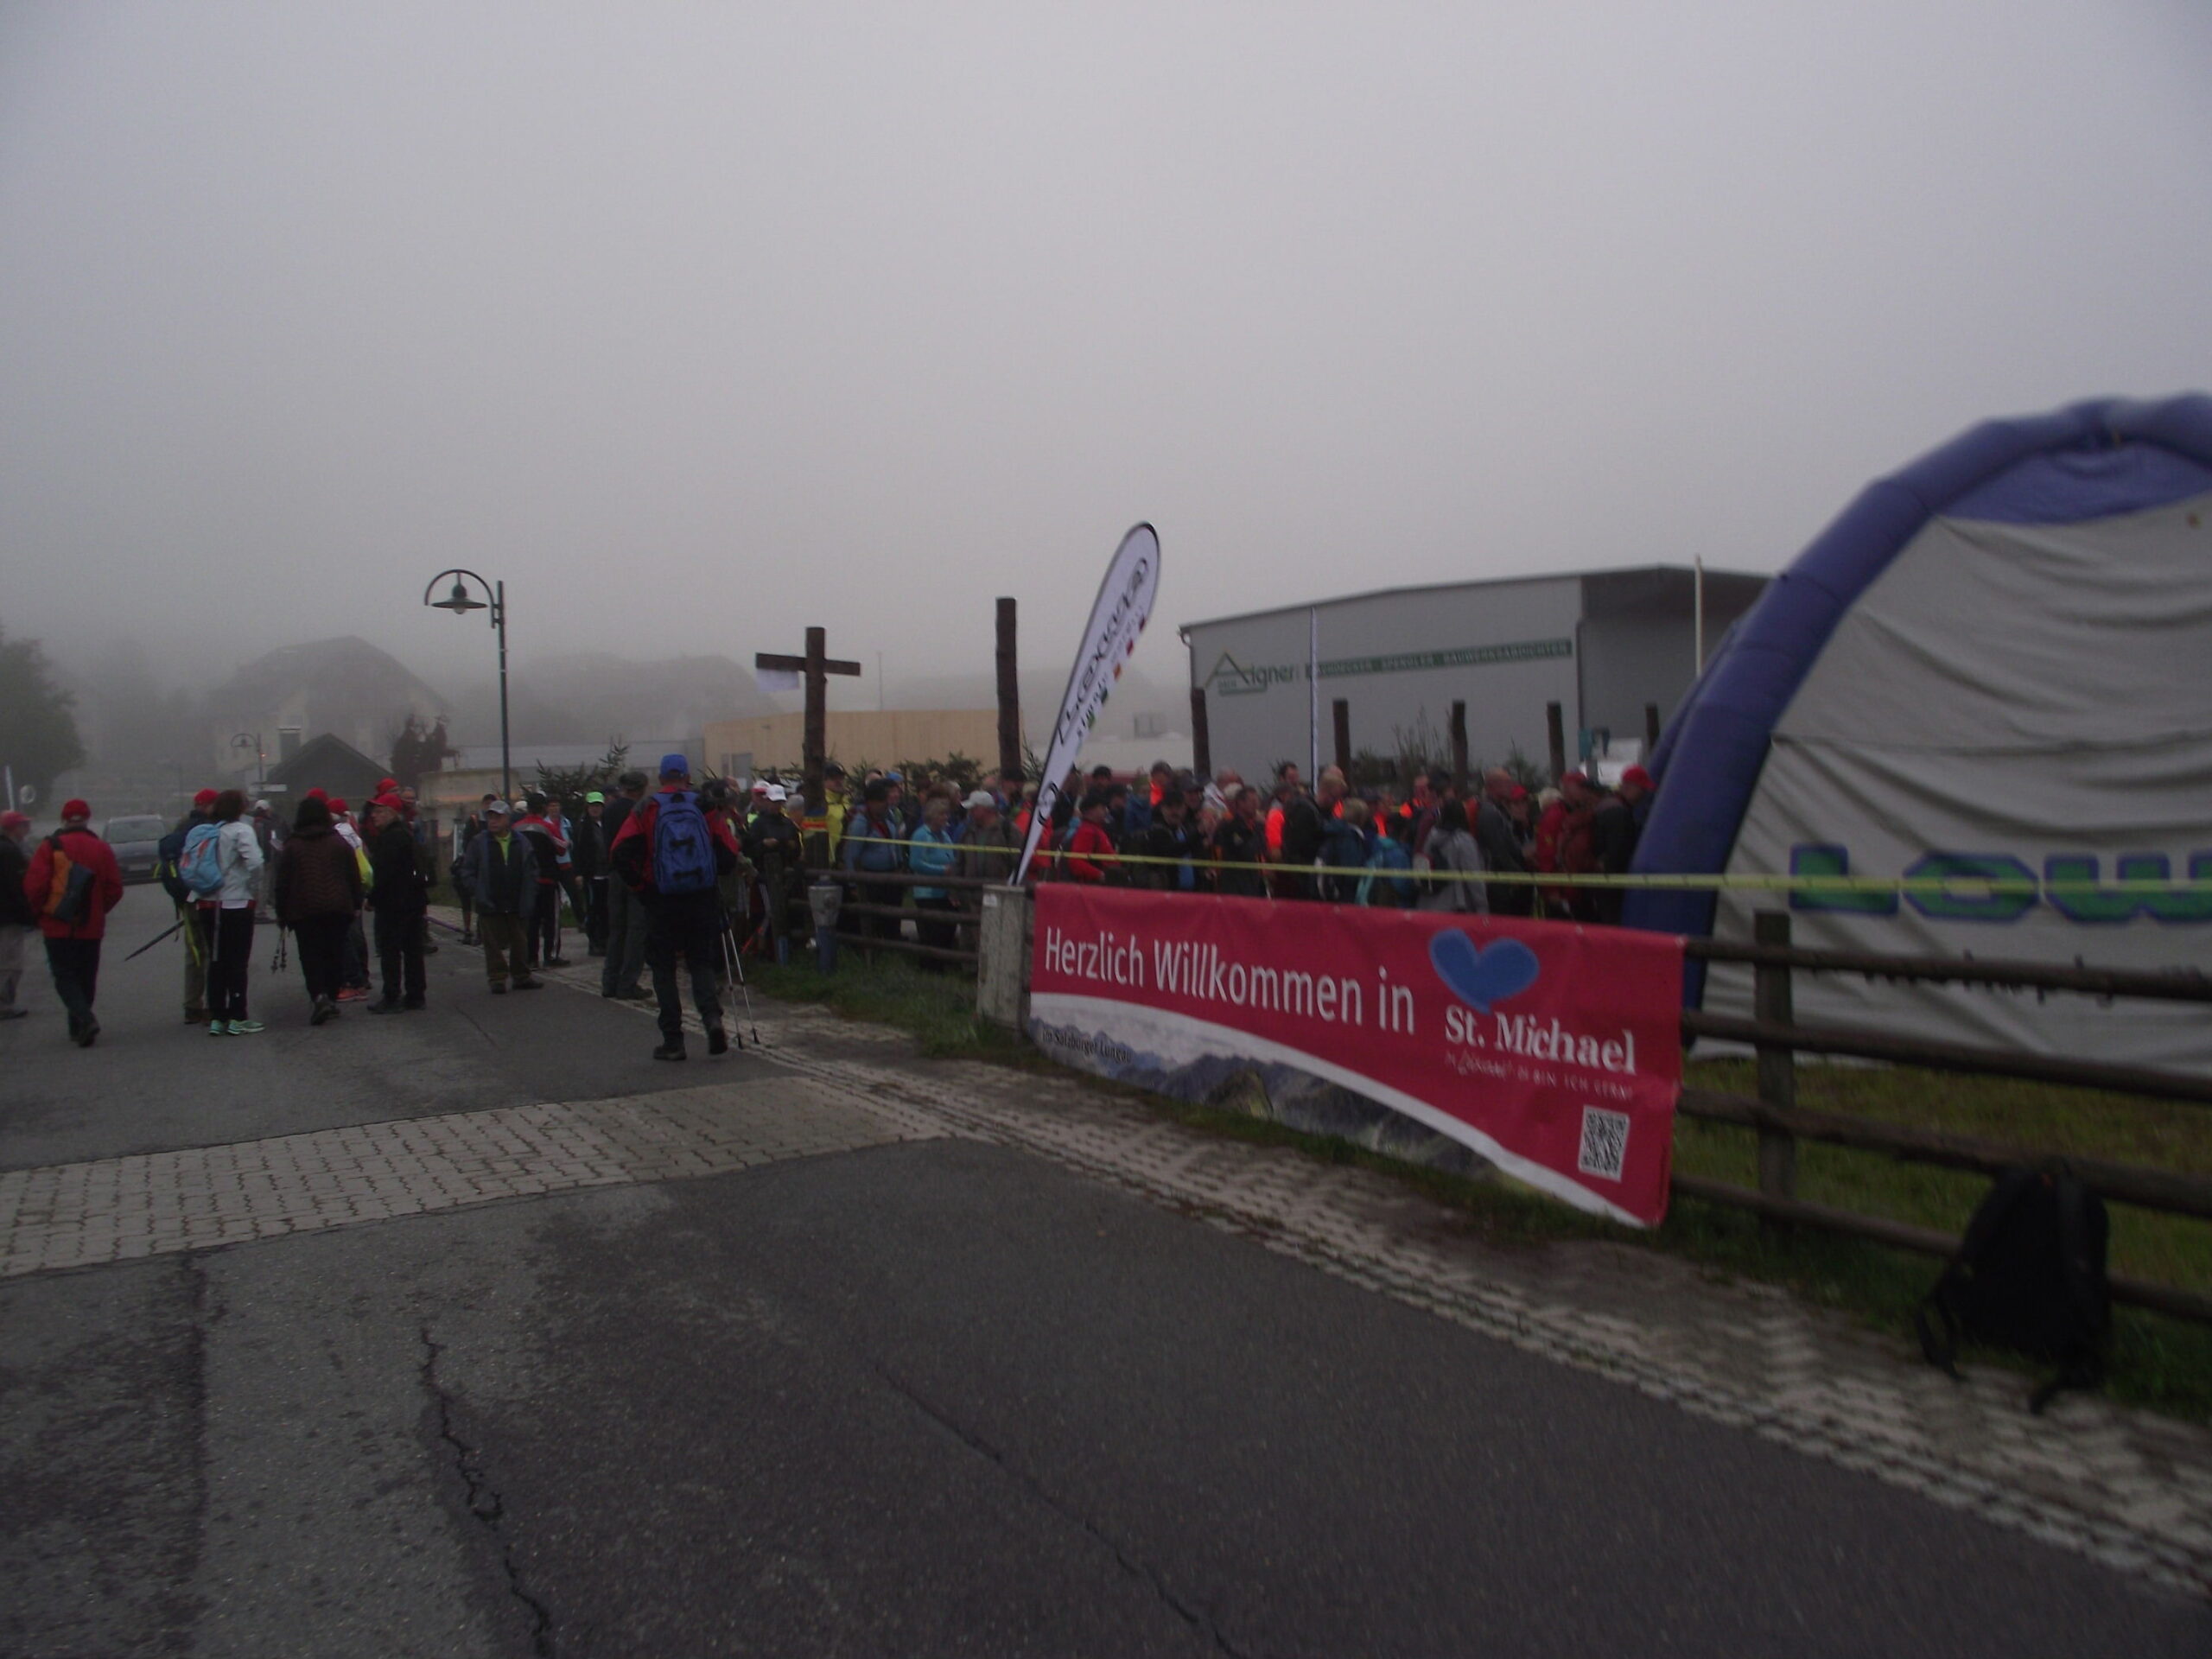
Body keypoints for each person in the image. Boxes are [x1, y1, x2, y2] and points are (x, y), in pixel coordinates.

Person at [611, 754, 741, 1062]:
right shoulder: (704, 806)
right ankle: (712, 1018)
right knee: (700, 962)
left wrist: (641, 888)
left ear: (660, 778)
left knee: (663, 968)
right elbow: (728, 855)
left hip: (661, 898)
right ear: (686, 776)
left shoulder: (647, 808)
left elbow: (619, 853)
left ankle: (673, 1041)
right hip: (701, 897)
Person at [22, 799, 126, 1046]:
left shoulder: (49, 847)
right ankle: (79, 1025)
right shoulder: (101, 848)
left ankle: (83, 1020)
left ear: (64, 819)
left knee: (64, 976)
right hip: (90, 926)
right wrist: (99, 909)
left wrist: (37, 915)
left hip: (56, 925)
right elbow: (115, 888)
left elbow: (35, 887)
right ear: (87, 819)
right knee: (86, 977)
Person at [273, 795, 365, 1025]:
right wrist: (356, 903)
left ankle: (319, 995)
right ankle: (332, 996)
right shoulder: (338, 843)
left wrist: (281, 912)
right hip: (338, 908)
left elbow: (282, 882)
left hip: (304, 910)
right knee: (334, 953)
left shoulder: (293, 846)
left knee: (310, 955)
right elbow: (353, 876)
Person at [191, 790, 265, 1035]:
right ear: (240, 808)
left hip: (207, 902)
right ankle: (238, 1016)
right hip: (236, 903)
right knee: (237, 961)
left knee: (216, 960)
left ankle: (216, 1016)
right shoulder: (241, 830)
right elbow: (255, 863)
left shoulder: (207, 832)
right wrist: (253, 888)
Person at [456, 801, 543, 993]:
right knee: (492, 944)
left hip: (517, 900)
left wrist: (530, 893)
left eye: (498, 817)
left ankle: (521, 976)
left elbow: (532, 870)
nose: (493, 821)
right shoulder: (479, 842)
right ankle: (497, 978)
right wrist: (478, 891)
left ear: (507, 819)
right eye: (490, 817)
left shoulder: (521, 842)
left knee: (520, 941)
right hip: (490, 900)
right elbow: (468, 870)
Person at [157, 786, 219, 1022]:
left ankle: (192, 1004)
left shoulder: (181, 827)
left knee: (194, 951)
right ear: (206, 806)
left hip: (186, 899)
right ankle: (211, 1004)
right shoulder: (209, 829)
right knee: (211, 950)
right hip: (207, 896)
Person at [365, 791, 429, 1012]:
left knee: (391, 950)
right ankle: (416, 994)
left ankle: (391, 995)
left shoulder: (389, 838)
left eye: (379, 811)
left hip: (394, 903)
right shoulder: (406, 833)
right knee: (413, 949)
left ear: (392, 813)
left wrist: (372, 898)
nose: (374, 815)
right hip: (413, 900)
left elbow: (384, 874)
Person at [597, 771, 652, 1001]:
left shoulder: (609, 810)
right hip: (635, 873)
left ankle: (609, 981)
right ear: (641, 789)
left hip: (614, 874)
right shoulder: (640, 810)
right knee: (636, 931)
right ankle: (628, 983)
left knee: (617, 930)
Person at [842, 779, 907, 943]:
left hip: (891, 873)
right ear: (870, 802)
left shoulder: (889, 818)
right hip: (870, 876)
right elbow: (852, 854)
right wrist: (853, 883)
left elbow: (895, 842)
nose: (885, 804)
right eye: (881, 801)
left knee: (893, 909)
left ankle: (893, 938)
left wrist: (899, 864)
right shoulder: (860, 823)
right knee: (873, 914)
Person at [1589, 766, 1651, 925]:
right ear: (1631, 787)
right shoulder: (1619, 812)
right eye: (1642, 789)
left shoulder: (1608, 805)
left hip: (1603, 884)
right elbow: (1617, 853)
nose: (1645, 793)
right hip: (1612, 888)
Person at [514, 794, 571, 968]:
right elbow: (561, 849)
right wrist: (567, 842)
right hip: (548, 878)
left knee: (531, 921)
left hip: (527, 882)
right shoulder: (547, 827)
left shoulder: (517, 827)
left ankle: (531, 958)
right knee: (551, 920)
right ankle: (550, 956)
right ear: (544, 808)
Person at [908, 795, 960, 970]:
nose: (946, 818)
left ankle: (943, 964)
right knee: (931, 932)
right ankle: (929, 967)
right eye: (942, 814)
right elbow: (916, 863)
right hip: (928, 892)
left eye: (947, 814)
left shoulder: (945, 835)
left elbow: (951, 856)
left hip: (945, 891)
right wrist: (941, 870)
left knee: (946, 930)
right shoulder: (921, 835)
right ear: (932, 816)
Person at [1476, 768, 1535, 917]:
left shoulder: (1499, 811)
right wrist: (1516, 873)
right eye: (1507, 783)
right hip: (1498, 884)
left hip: (1504, 881)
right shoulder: (1490, 813)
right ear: (1493, 787)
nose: (1511, 786)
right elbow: (1498, 850)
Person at [1419, 798, 1489, 913]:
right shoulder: (1464, 841)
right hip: (1456, 905)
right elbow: (1473, 875)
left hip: (1429, 903)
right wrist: (1482, 906)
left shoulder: (1432, 836)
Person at [0, 810, 36, 1020]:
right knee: (10, 963)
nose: (27, 829)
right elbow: (17, 887)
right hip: (8, 917)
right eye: (23, 825)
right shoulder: (10, 852)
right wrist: (29, 915)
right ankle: (4, 1005)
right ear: (13, 828)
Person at [1137, 789, 1203, 893]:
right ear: (1162, 809)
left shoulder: (1187, 829)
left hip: (1192, 891)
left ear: (1185, 808)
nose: (1174, 811)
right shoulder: (1158, 830)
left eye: (1178, 807)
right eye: (1169, 807)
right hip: (1168, 890)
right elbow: (1174, 851)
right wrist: (1199, 833)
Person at [1211, 785, 1268, 899]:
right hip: (1235, 886)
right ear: (1241, 803)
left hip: (1253, 883)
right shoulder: (1230, 827)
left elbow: (1263, 848)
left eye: (1257, 801)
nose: (1256, 805)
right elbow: (1247, 851)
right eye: (1252, 801)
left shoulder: (1256, 826)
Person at [456, 793, 499, 944]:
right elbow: (466, 844)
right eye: (487, 803)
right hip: (476, 866)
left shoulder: (498, 822)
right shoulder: (474, 821)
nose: (489, 807)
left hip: (491, 866)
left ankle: (484, 933)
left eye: (492, 804)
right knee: (475, 900)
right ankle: (472, 931)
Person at [573, 791, 610, 956]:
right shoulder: (582, 827)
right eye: (592, 806)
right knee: (593, 909)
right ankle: (594, 942)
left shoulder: (607, 824)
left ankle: (605, 940)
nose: (595, 809)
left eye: (598, 806)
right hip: (592, 874)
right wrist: (579, 873)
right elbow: (577, 852)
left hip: (607, 873)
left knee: (606, 909)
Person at [1063, 792, 1119, 885]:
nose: (1106, 811)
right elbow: (1076, 862)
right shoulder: (1087, 831)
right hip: (1095, 886)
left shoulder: (1096, 829)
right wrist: (1100, 875)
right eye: (1102, 808)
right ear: (1090, 810)